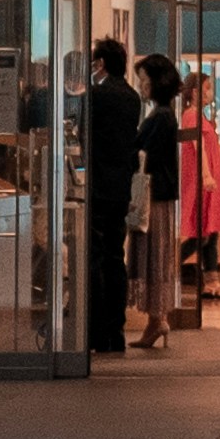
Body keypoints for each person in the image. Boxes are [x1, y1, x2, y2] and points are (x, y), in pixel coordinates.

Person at [79, 35, 138, 360]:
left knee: (95, 258)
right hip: (120, 189)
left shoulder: (96, 96)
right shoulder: (131, 97)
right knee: (116, 258)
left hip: (98, 187)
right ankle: (115, 330)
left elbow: (85, 137)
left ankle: (96, 329)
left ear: (100, 64)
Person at [133, 51, 184, 350]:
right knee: (156, 255)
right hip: (159, 193)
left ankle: (157, 318)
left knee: (154, 255)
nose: (141, 85)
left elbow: (144, 154)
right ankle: (156, 319)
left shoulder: (161, 116)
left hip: (155, 195)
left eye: (143, 79)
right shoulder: (163, 114)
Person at [176, 76, 220, 327]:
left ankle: (213, 282)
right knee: (202, 233)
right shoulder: (190, 116)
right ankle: (172, 264)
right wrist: (206, 175)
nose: (211, 93)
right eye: (208, 88)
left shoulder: (201, 116)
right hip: (201, 182)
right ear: (196, 91)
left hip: (209, 183)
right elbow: (197, 147)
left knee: (211, 232)